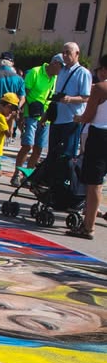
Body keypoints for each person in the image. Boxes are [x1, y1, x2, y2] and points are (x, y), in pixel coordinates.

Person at [72, 55, 107, 239]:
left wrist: (78, 118)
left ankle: (88, 226)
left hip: (100, 135)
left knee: (94, 183)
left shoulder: (100, 88)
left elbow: (88, 115)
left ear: (103, 69)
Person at [11, 55, 60, 185]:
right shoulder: (35, 72)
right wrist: (21, 114)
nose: (62, 70)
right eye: (61, 67)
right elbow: (24, 94)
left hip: (45, 118)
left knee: (39, 148)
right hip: (30, 114)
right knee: (27, 145)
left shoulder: (55, 78)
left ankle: (28, 175)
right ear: (55, 63)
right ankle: (17, 173)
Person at [47, 41, 91, 158]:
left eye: (68, 52)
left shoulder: (83, 73)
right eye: (63, 53)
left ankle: (64, 176)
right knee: (53, 154)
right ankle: (52, 176)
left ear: (77, 54)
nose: (65, 55)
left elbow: (86, 97)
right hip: (57, 117)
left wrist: (70, 99)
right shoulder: (62, 71)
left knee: (66, 155)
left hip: (71, 119)